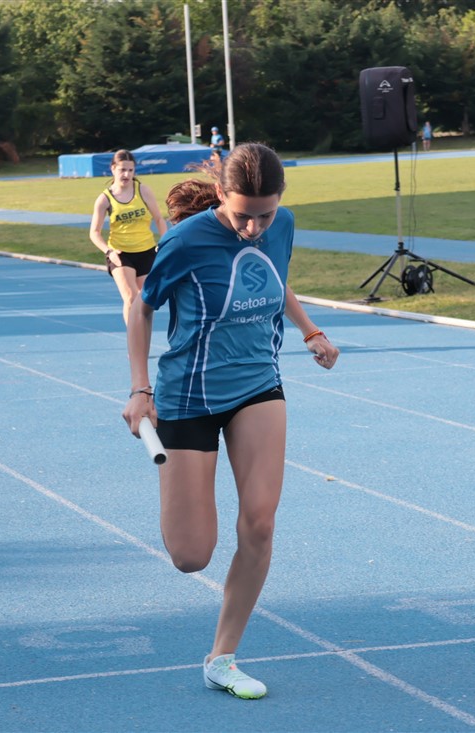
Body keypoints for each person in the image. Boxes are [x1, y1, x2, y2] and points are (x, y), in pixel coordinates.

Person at [122, 143, 339, 700]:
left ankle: (222, 657)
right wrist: (140, 389)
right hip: (189, 395)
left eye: (264, 215)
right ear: (221, 194)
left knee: (260, 523)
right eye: (243, 215)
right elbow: (142, 307)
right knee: (191, 555)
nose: (253, 227)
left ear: (280, 201)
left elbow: (274, 279)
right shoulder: (185, 241)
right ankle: (183, 490)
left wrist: (311, 330)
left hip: (258, 384)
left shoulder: (282, 225)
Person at [89, 150, 168, 325]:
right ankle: (133, 338)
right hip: (120, 253)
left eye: (130, 170)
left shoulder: (143, 191)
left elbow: (159, 219)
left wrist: (163, 242)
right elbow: (94, 232)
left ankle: (143, 336)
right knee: (131, 297)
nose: (127, 174)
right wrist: (109, 252)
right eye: (122, 170)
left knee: (146, 301)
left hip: (146, 251)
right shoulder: (104, 199)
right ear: (113, 169)